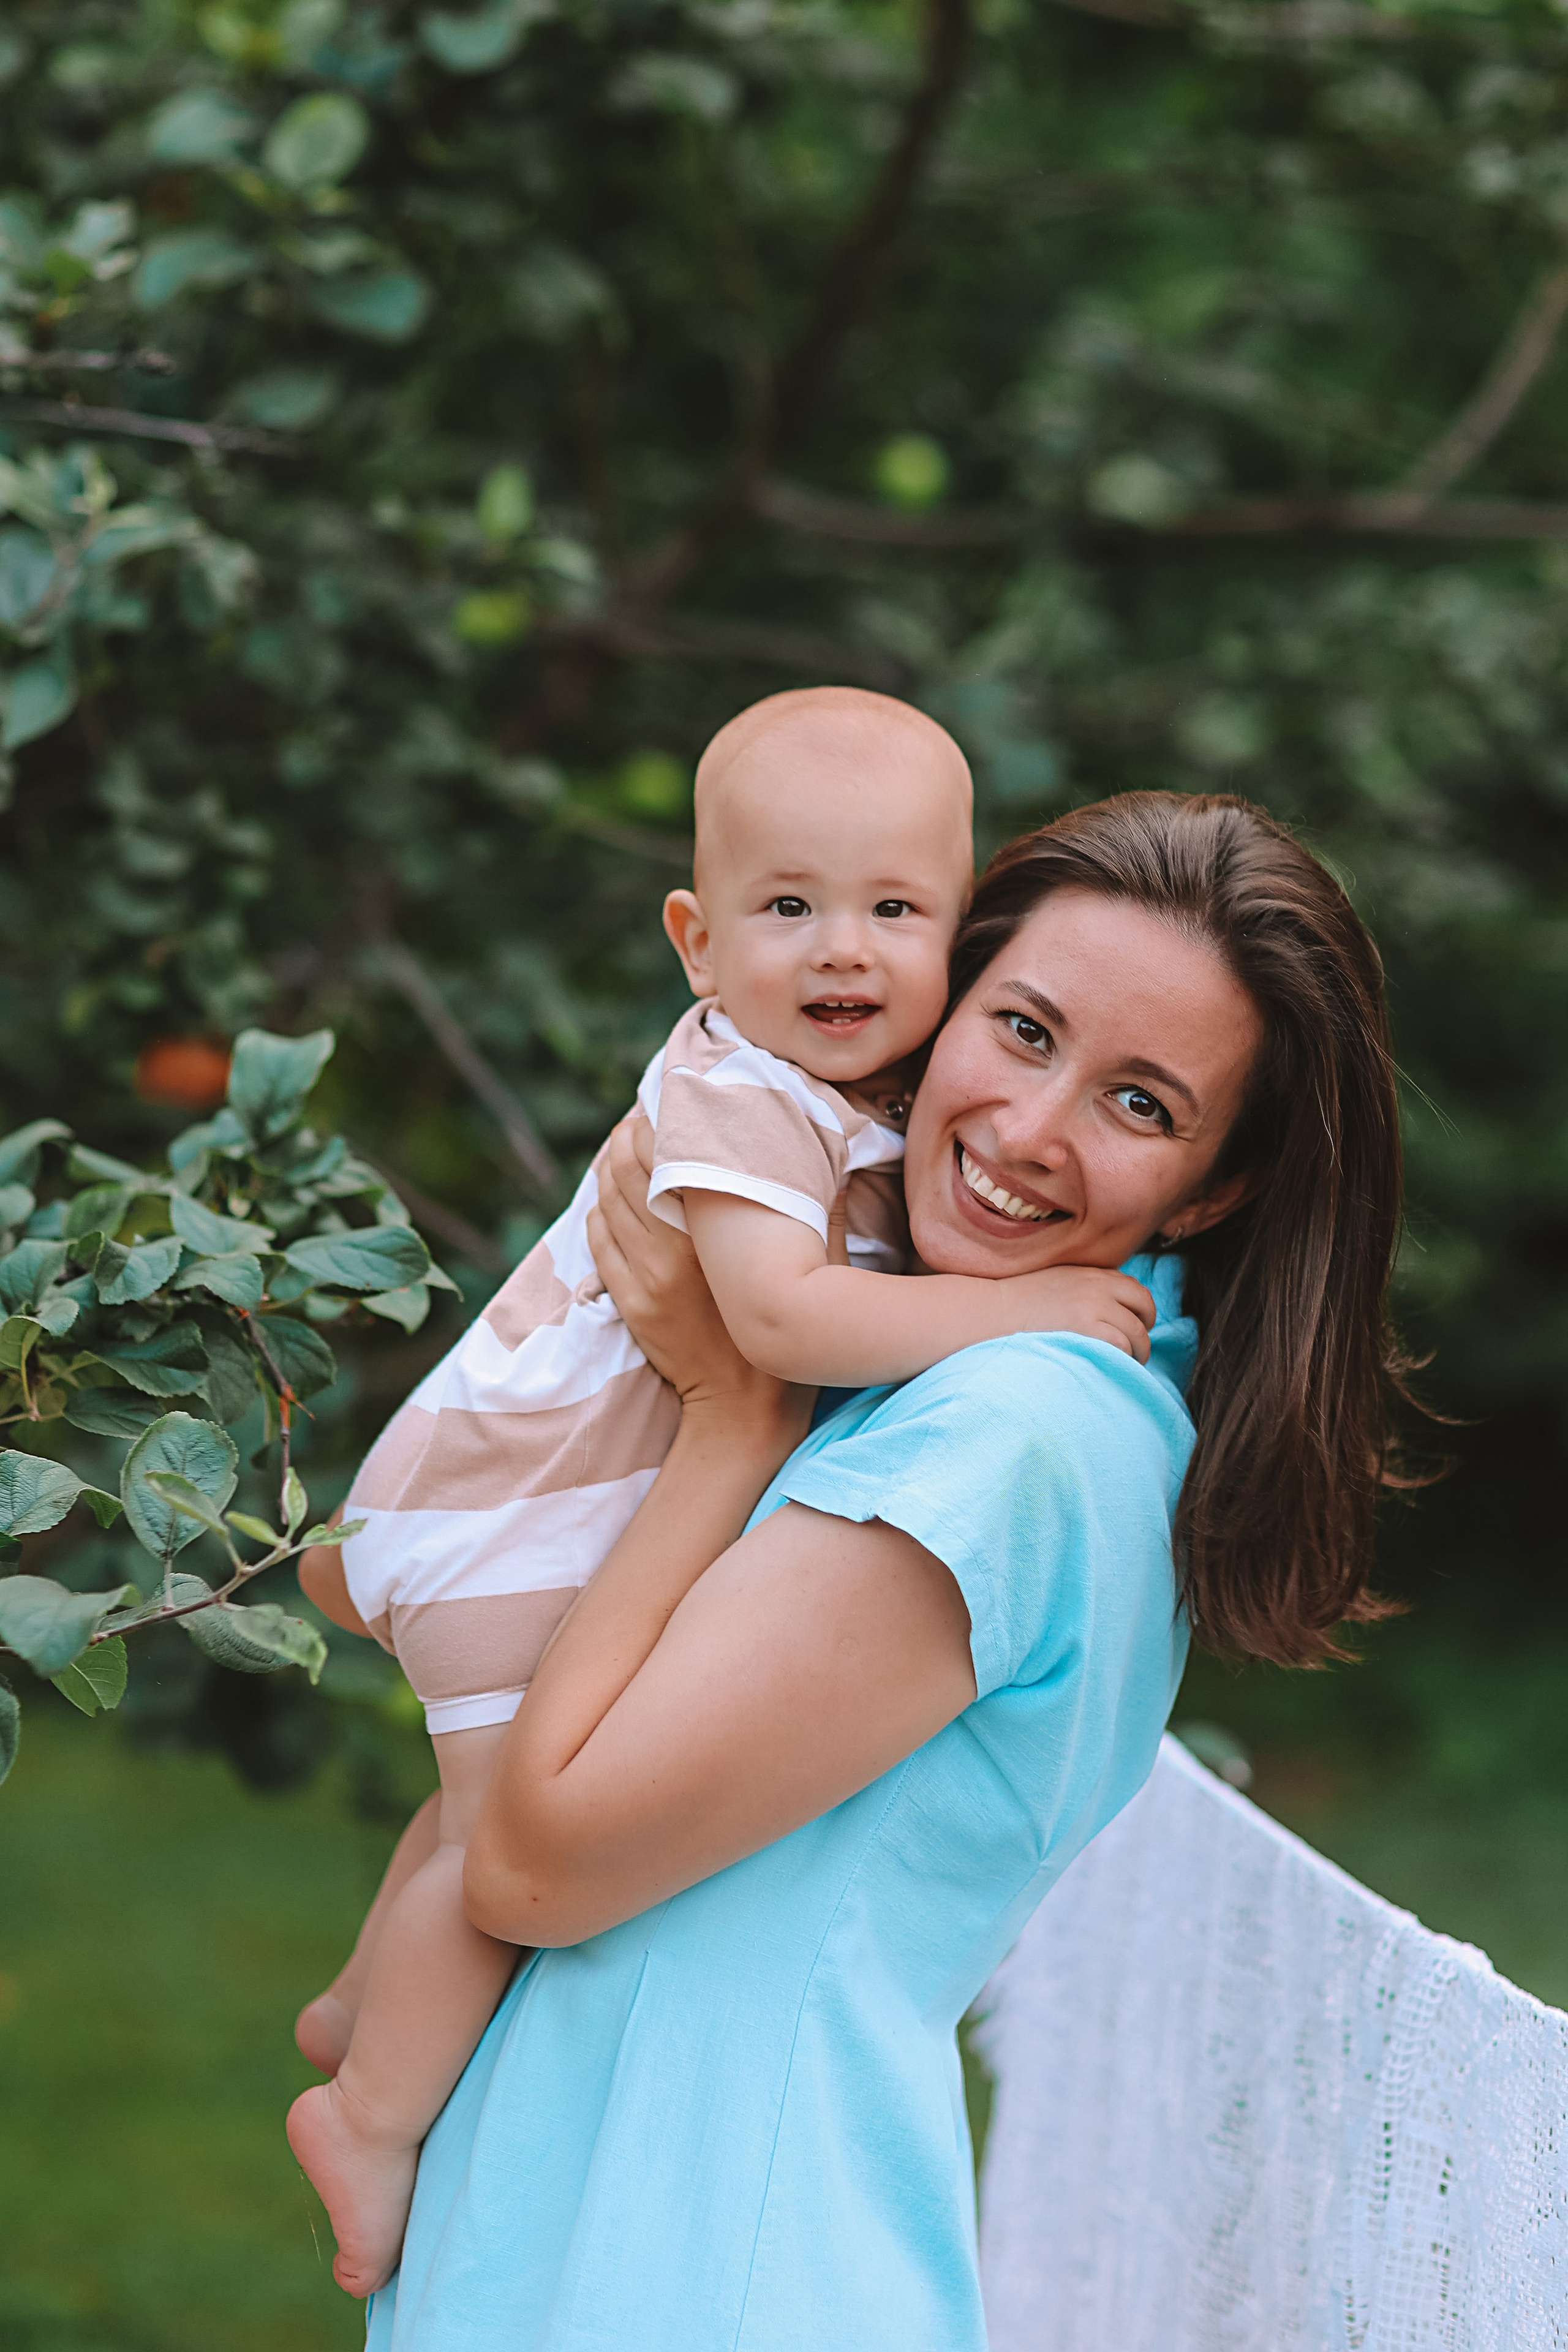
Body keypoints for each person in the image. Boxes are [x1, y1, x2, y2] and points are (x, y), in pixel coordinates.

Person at [353, 790, 1409, 2351]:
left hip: (704, 2267)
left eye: (1139, 1105)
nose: (1029, 1133)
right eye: (1023, 1031)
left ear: (1208, 1189)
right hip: (624, 2221)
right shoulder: (936, 1347)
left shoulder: (1020, 1430)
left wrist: (726, 1417)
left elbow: (535, 1864)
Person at [287, 688, 1153, 2295]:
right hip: (517, 1504)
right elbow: (776, 1325)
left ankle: (358, 1999)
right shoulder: (744, 1096)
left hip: (537, 1499)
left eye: (894, 910)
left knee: (486, 1768)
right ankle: (376, 2113)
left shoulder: (863, 1108)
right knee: (500, 1831)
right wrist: (1021, 1303)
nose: (843, 952)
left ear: (956, 937)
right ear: (697, 942)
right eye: (789, 908)